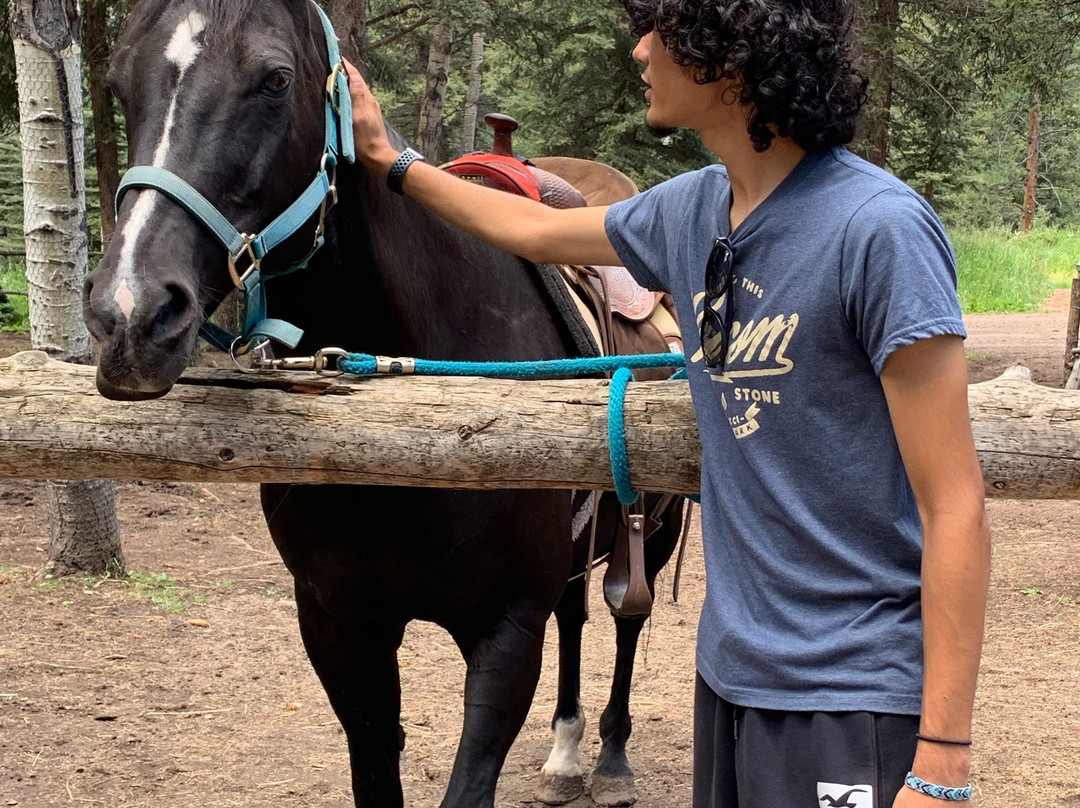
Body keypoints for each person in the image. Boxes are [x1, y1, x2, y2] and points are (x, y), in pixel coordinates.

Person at [343, 0, 991, 804]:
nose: (642, 49)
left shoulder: (880, 230)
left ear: (736, 53)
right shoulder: (692, 210)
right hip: (730, 674)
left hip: (848, 691)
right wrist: (391, 159)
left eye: (664, 31)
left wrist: (944, 757)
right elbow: (536, 233)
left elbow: (955, 505)